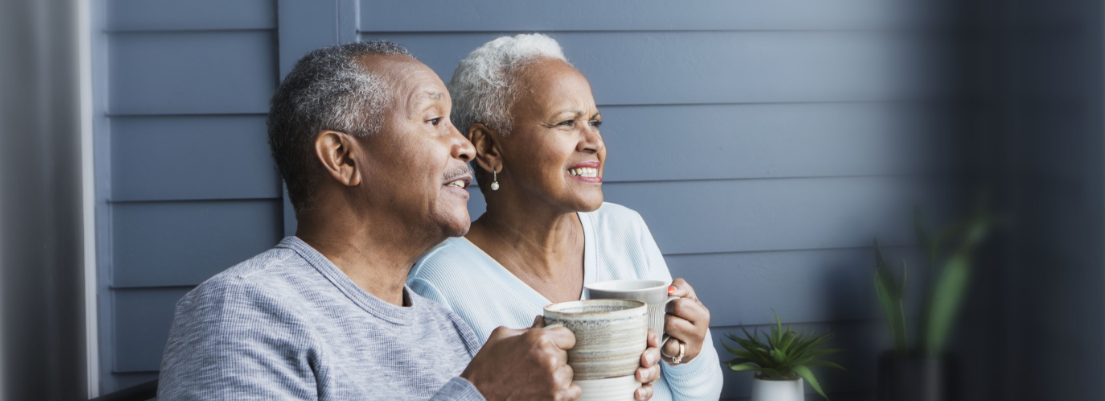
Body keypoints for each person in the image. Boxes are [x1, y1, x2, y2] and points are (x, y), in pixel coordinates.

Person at [157, 40, 664, 400]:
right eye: (432, 120)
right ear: (343, 158)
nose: (464, 145)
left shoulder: (446, 329)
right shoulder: (246, 310)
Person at [407, 34, 723, 400]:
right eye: (566, 123)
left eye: (595, 122)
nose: (594, 142)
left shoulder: (624, 230)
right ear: (489, 148)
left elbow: (702, 395)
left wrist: (687, 354)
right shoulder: (440, 285)